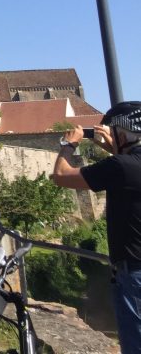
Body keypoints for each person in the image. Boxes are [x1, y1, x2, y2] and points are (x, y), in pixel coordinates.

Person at [51, 100, 141, 354]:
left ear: (123, 132)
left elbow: (61, 175)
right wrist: (116, 151)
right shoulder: (125, 166)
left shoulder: (121, 167)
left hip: (134, 271)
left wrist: (69, 144)